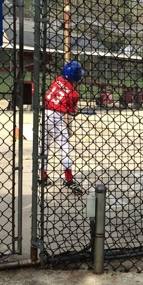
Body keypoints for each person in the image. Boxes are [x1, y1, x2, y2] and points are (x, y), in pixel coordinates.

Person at [38, 60, 85, 194]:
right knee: (63, 146)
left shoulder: (56, 80)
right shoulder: (74, 94)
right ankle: (69, 179)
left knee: (43, 146)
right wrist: (75, 110)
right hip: (57, 118)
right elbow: (71, 112)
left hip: (45, 114)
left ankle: (43, 176)